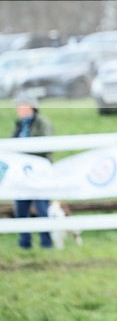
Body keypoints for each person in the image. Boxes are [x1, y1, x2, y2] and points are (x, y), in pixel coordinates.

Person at [12, 94, 54, 249]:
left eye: (20, 106)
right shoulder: (19, 125)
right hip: (21, 172)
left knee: (41, 207)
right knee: (20, 208)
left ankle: (46, 243)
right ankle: (25, 244)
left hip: (38, 171)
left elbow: (46, 146)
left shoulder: (43, 123)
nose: (17, 109)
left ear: (30, 106)